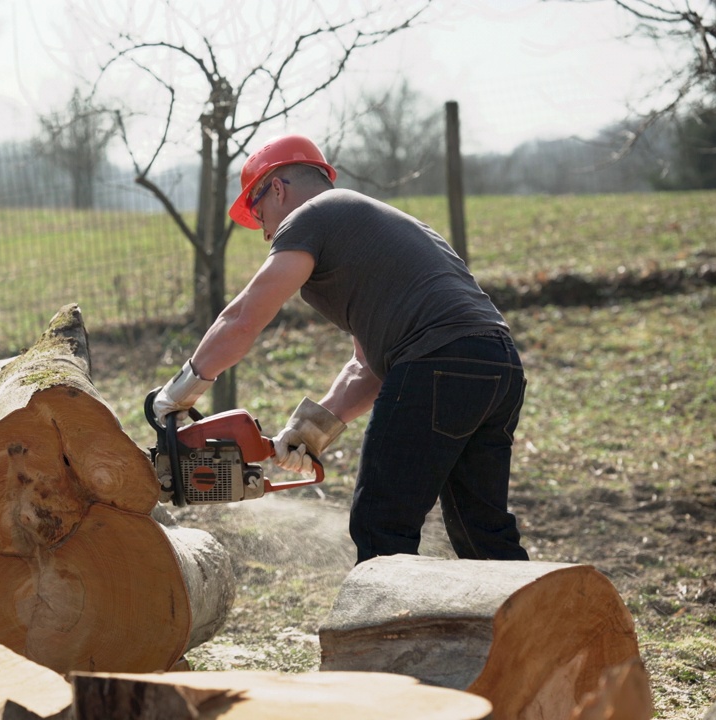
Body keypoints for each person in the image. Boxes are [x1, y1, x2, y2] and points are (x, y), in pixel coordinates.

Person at [149, 134, 529, 564]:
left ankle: (387, 632)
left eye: (259, 216)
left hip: (437, 361)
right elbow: (366, 365)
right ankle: (537, 629)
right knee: (480, 527)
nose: (266, 232)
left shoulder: (312, 216)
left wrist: (177, 395)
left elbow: (242, 319)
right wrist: (311, 430)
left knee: (380, 521)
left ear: (277, 188)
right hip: (498, 364)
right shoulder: (370, 223)